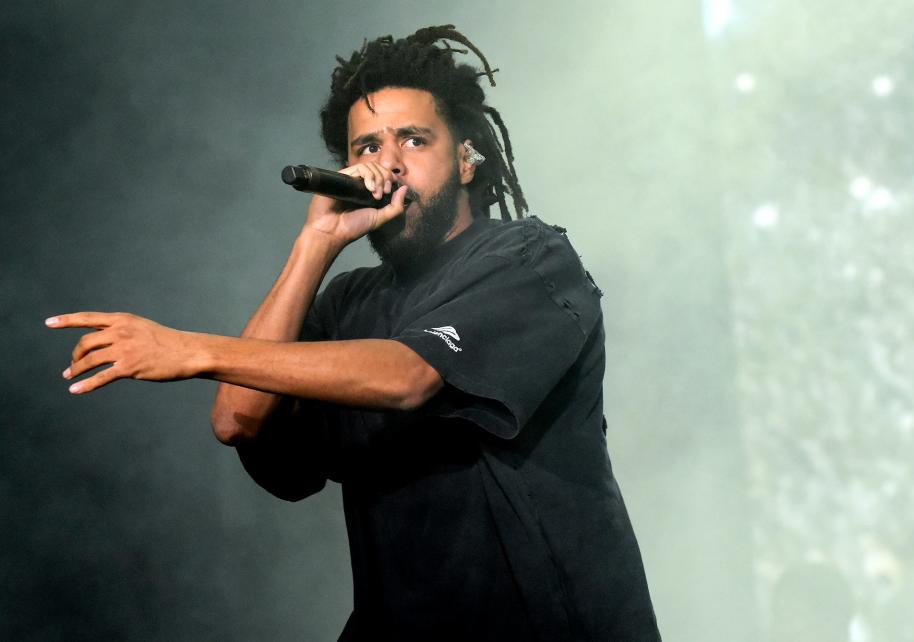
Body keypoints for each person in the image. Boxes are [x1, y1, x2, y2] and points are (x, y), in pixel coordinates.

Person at [48, 25, 661, 641]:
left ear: (468, 159)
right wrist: (314, 246)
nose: (386, 163)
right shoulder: (349, 303)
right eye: (367, 147)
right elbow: (236, 417)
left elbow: (407, 376)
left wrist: (191, 347)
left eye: (413, 140)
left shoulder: (527, 255)